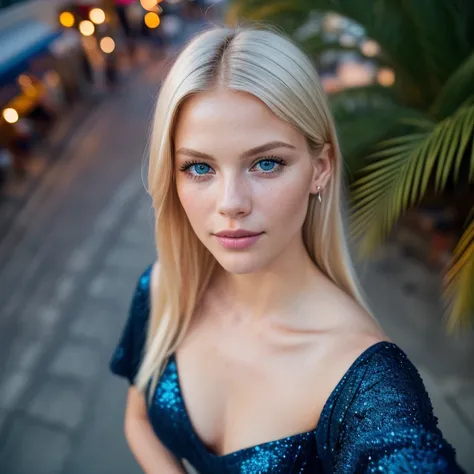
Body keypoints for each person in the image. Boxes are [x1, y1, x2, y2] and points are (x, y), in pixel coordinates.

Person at [109, 25, 464, 473]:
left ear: (320, 168)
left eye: (266, 163)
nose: (231, 203)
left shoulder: (366, 382)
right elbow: (138, 418)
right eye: (199, 167)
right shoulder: (166, 289)